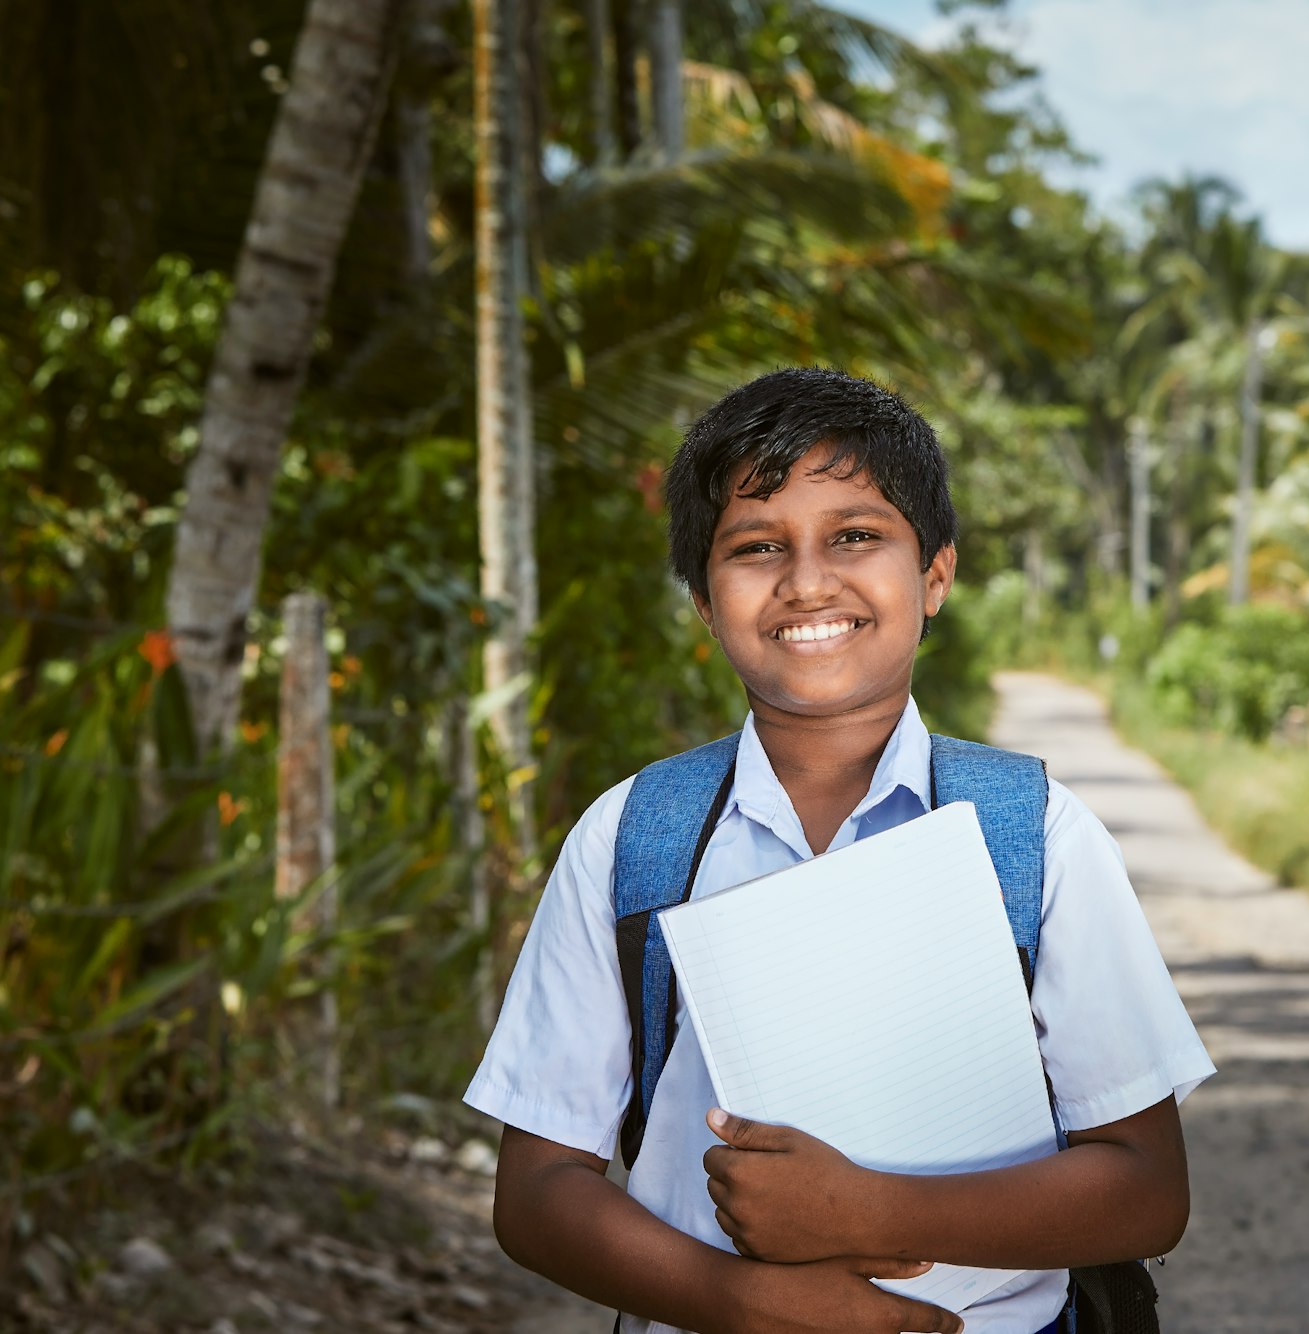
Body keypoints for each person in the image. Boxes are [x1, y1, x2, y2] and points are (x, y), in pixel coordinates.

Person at [465, 367, 1214, 1334]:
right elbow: (536, 1194)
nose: (808, 581)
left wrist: (869, 1210)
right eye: (756, 546)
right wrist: (738, 1300)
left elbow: (1148, 1192)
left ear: (934, 574)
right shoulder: (632, 840)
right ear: (702, 598)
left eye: (856, 535)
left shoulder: (1036, 839)